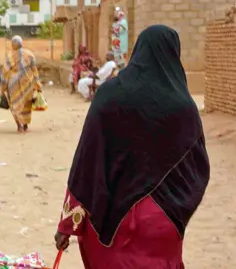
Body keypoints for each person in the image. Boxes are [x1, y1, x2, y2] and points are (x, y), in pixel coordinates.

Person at [54, 25, 210, 268]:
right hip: (162, 221)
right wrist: (178, 208)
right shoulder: (184, 108)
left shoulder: (108, 96)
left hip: (111, 222)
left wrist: (67, 224)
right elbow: (198, 169)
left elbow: (87, 162)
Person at [1, 35, 42, 133]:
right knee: (26, 104)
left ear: (13, 45)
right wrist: (38, 84)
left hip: (13, 85)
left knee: (15, 105)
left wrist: (3, 88)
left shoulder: (10, 57)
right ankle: (25, 124)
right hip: (27, 83)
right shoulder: (29, 55)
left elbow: (5, 73)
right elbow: (34, 70)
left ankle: (19, 126)